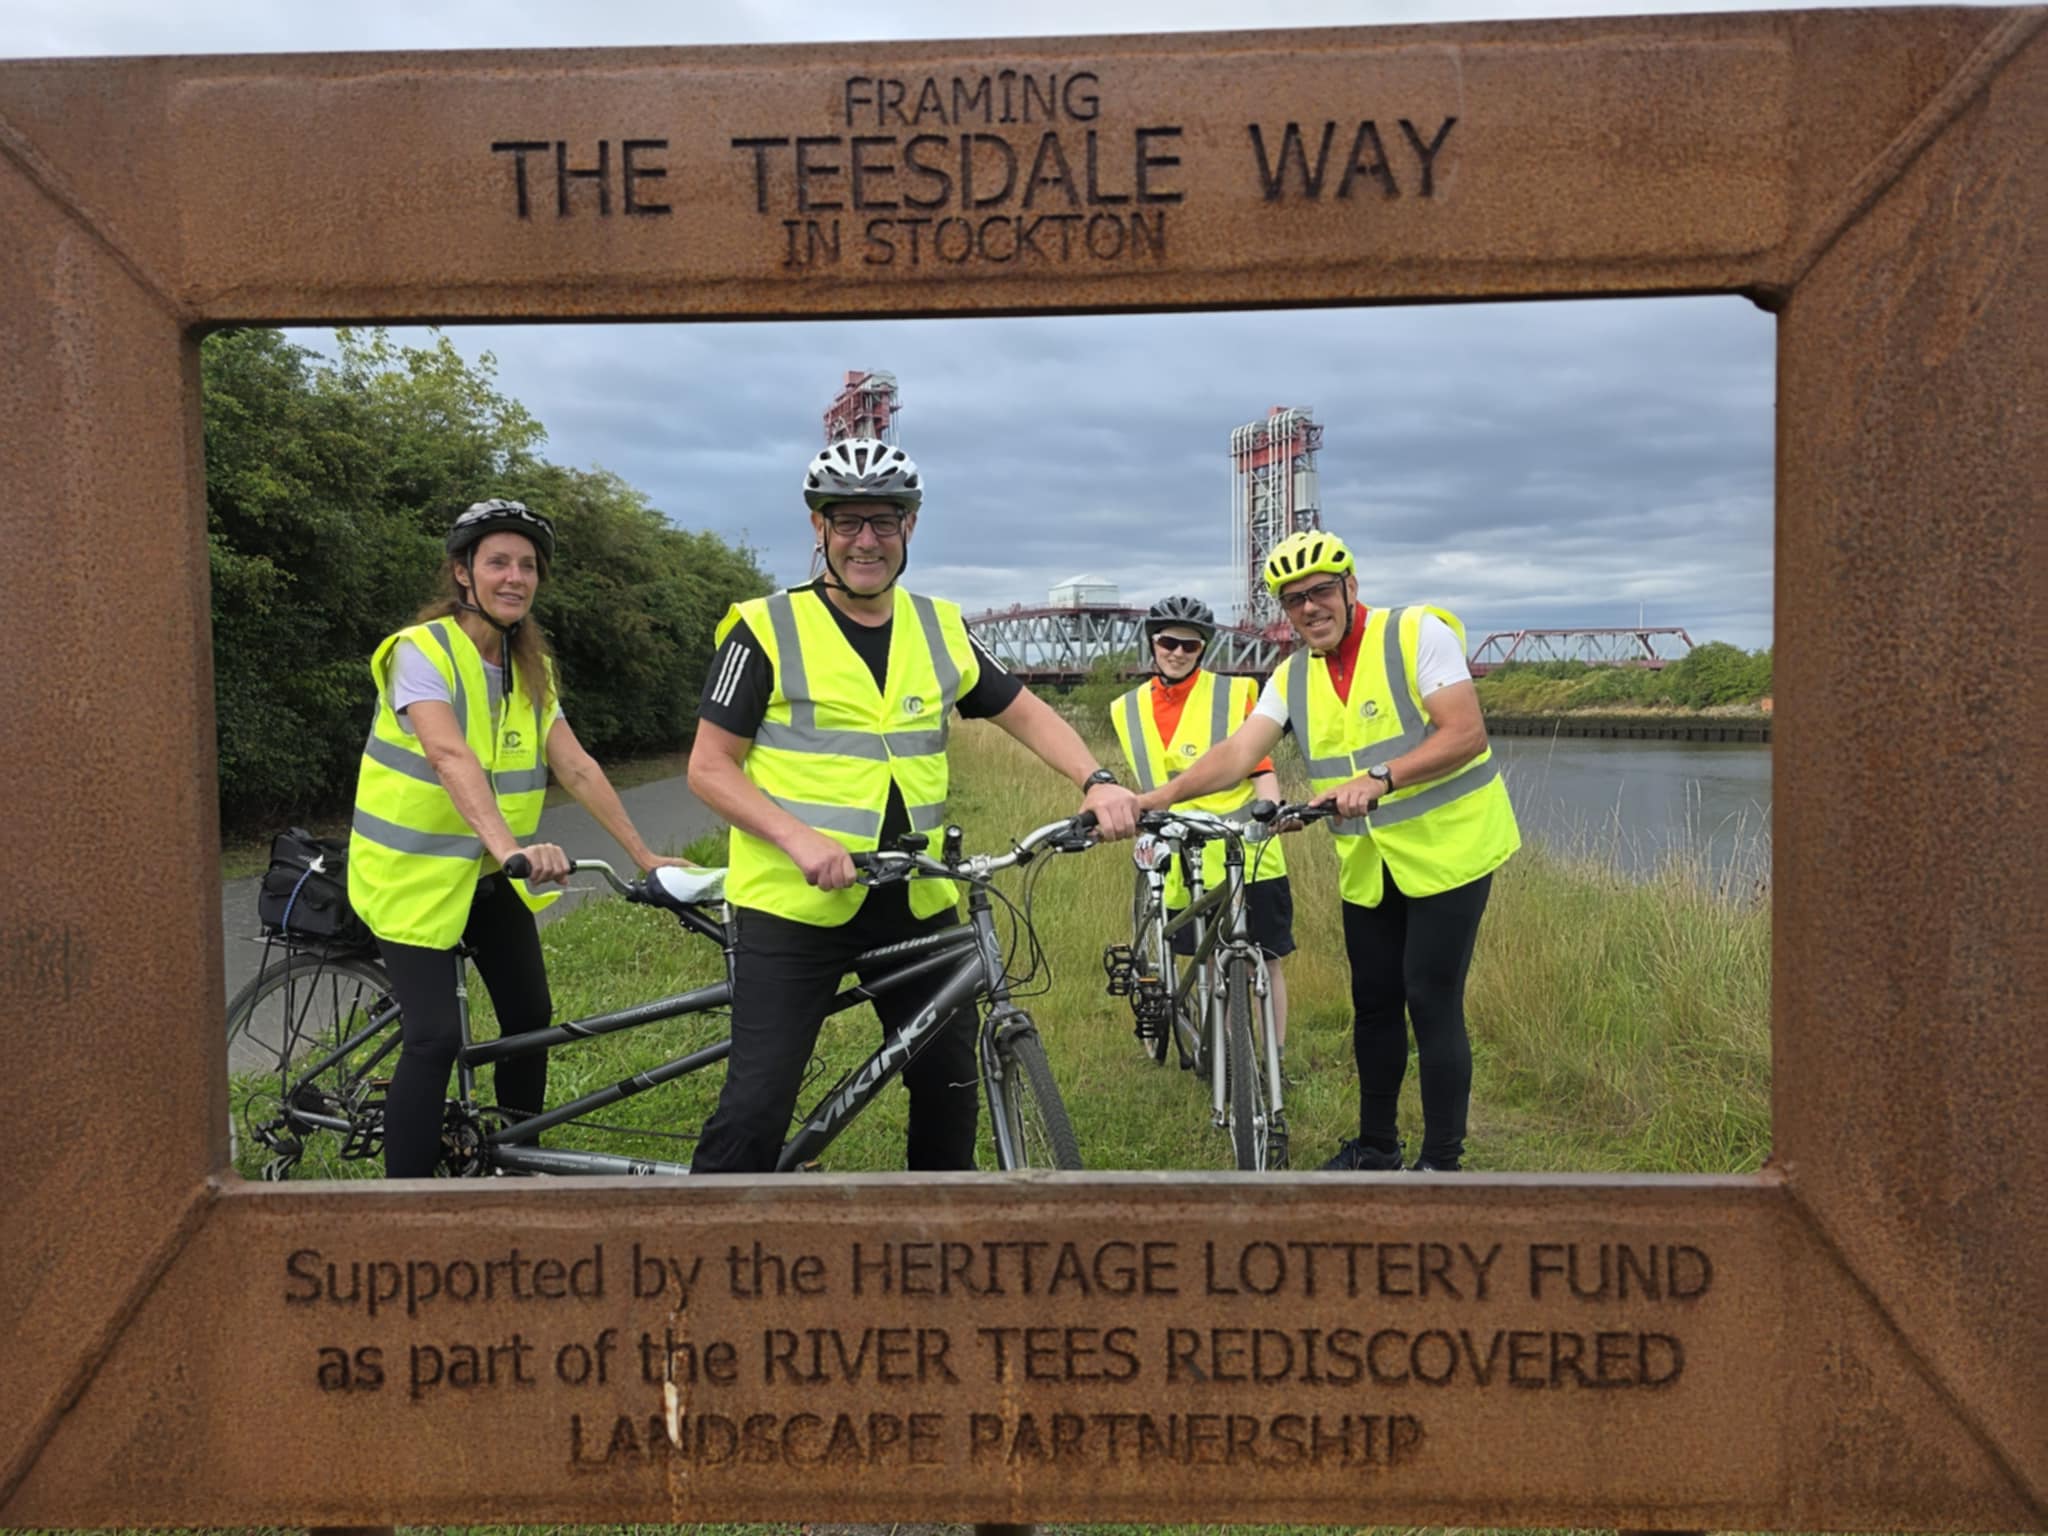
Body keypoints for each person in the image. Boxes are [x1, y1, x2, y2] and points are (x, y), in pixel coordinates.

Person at [686, 438, 1139, 1173]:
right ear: (819, 530)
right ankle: (702, 1258)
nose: (867, 540)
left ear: (910, 529)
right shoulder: (764, 627)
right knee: (757, 1106)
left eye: (885, 522)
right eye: (848, 522)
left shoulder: (940, 626)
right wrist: (799, 839)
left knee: (949, 1087)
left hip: (916, 895)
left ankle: (934, 1255)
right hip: (794, 905)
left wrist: (1098, 778)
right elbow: (709, 769)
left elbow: (1023, 711)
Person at [1131, 530, 1519, 1171]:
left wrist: (1381, 778)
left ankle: (1442, 1166)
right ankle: (1377, 1148)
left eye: (1320, 593)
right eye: (1293, 600)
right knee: (1372, 1002)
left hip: (1453, 849)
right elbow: (1236, 755)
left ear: (1350, 588)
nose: (1309, 609)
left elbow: (1467, 733)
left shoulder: (1416, 633)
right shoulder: (1292, 676)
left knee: (1429, 996)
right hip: (1371, 864)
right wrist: (1157, 798)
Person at [347, 498, 687, 1178]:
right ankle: (402, 1215)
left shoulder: (531, 668)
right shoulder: (421, 653)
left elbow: (576, 765)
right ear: (462, 573)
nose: (515, 577)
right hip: (409, 875)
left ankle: (513, 1164)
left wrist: (644, 856)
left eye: (527, 566)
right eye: (498, 561)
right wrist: (511, 847)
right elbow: (449, 756)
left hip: (484, 876)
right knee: (435, 1037)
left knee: (531, 1020)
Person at [1109, 594, 1295, 1052]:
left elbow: (1261, 765)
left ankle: (1270, 1064)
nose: (1177, 652)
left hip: (1245, 852)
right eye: (1168, 642)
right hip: (1179, 858)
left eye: (1189, 646)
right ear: (1153, 644)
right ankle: (1227, 1057)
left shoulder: (1235, 694)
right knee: (1210, 965)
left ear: (1203, 650)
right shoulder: (1124, 709)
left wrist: (1271, 809)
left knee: (1265, 962)